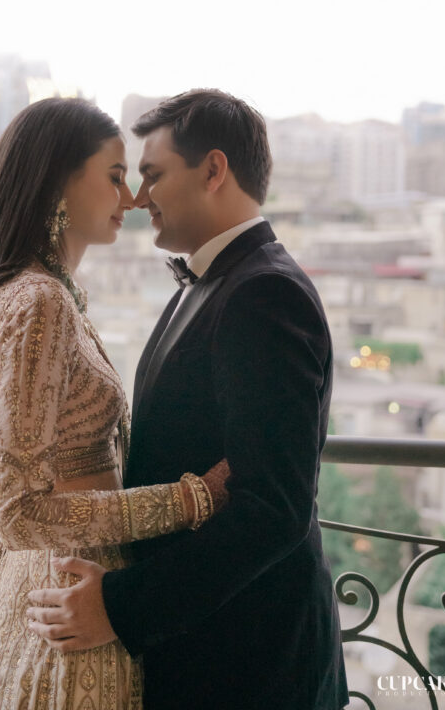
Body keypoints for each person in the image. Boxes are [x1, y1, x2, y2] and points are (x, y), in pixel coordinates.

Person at [27, 89, 350, 710]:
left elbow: (272, 507)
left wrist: (120, 607)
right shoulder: (209, 286)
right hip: (204, 645)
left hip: (249, 663)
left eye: (152, 175)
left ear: (213, 171)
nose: (139, 197)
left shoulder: (264, 296)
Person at [0, 97, 229, 710]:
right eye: (115, 177)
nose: (134, 198)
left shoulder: (48, 291)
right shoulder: (38, 301)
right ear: (59, 181)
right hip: (69, 594)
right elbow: (18, 512)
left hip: (56, 584)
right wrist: (187, 500)